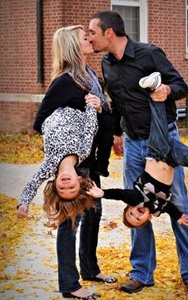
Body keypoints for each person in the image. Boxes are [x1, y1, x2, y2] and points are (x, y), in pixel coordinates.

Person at [88, 10, 188, 297]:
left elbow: (181, 86)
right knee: (136, 205)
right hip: (132, 142)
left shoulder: (149, 54)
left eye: (92, 32)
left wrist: (167, 89)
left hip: (163, 140)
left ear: (109, 33)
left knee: (178, 204)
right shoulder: (106, 63)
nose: (88, 37)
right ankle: (141, 273)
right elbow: (117, 103)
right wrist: (117, 132)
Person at [17, 25, 115, 299]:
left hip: (89, 156)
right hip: (73, 160)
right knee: (70, 223)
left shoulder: (90, 76)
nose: (90, 39)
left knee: (94, 215)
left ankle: (89, 269)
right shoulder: (64, 82)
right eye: (84, 37)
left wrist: (97, 110)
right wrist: (67, 125)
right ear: (73, 46)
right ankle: (70, 286)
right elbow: (40, 121)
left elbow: (101, 116)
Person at [87, 73, 188, 229]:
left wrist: (103, 193)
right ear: (147, 218)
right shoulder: (157, 209)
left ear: (130, 206)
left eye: (130, 213)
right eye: (137, 219)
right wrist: (178, 217)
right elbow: (169, 208)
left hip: (156, 155)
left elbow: (121, 194)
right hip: (170, 160)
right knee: (185, 155)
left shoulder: (138, 198)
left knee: (158, 122)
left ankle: (154, 88)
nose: (136, 214)